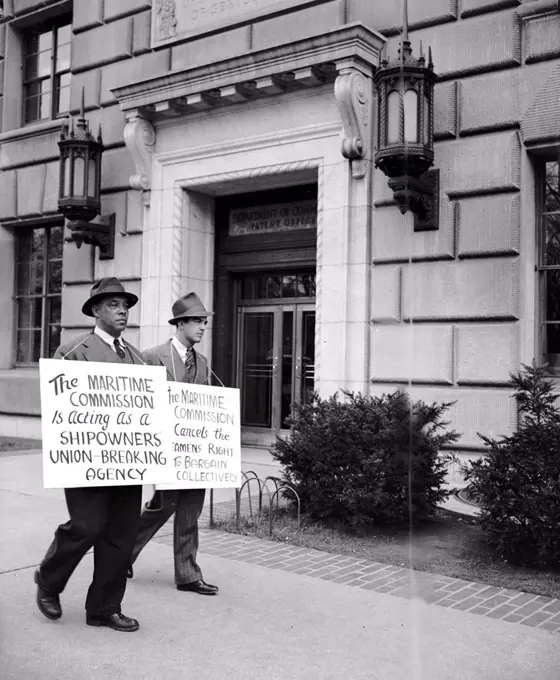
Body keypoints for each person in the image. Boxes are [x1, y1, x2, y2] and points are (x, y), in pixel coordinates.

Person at [35, 277, 145, 632]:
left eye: (125, 305)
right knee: (86, 527)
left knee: (121, 535)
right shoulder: (71, 352)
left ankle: (104, 607)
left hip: (128, 463)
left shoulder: (139, 360)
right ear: (96, 311)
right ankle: (49, 580)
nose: (122, 311)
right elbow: (58, 407)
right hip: (86, 461)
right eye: (114, 305)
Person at [128, 292, 219, 596]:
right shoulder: (152, 356)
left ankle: (188, 574)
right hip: (166, 449)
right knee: (163, 506)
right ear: (180, 324)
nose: (202, 328)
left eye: (204, 322)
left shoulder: (204, 363)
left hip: (196, 452)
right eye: (197, 321)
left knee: (191, 510)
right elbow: (135, 397)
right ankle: (124, 553)